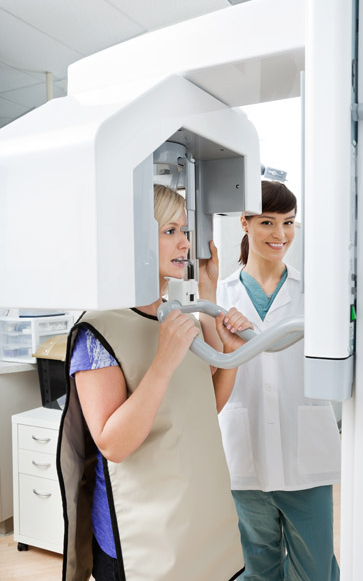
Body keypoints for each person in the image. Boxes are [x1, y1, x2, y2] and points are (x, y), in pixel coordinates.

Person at [57, 184, 253, 581]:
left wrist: (229, 354)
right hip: (142, 541)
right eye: (170, 231)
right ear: (135, 241)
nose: (185, 242)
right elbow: (113, 444)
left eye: (185, 230)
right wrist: (162, 363)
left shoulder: (175, 314)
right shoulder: (100, 330)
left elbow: (204, 405)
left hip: (197, 524)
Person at [216, 180, 341, 581]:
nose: (280, 234)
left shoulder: (317, 293)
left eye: (288, 223)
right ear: (245, 223)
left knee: (317, 571)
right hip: (242, 451)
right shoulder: (220, 295)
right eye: (268, 222)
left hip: (306, 452)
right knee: (257, 569)